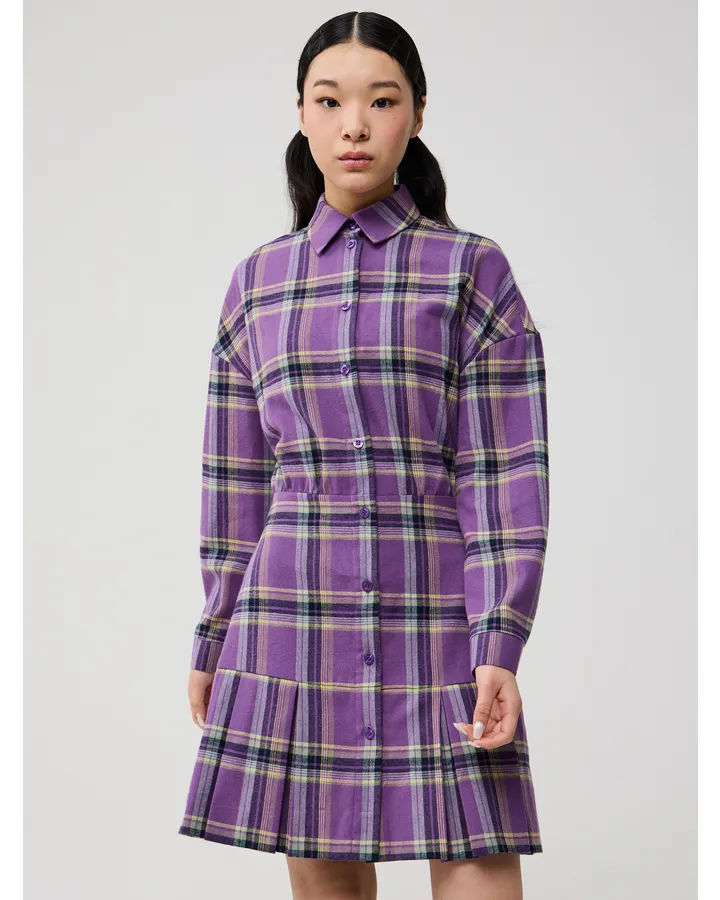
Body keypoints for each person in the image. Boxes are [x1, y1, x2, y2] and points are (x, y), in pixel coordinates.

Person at [178, 11, 550, 900]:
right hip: (291, 618)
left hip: (437, 620)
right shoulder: (256, 283)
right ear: (300, 116)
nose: (354, 125)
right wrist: (214, 632)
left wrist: (500, 638)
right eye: (330, 101)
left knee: (476, 861)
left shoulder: (471, 270)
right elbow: (235, 482)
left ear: (416, 115)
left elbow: (503, 473)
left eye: (381, 101)